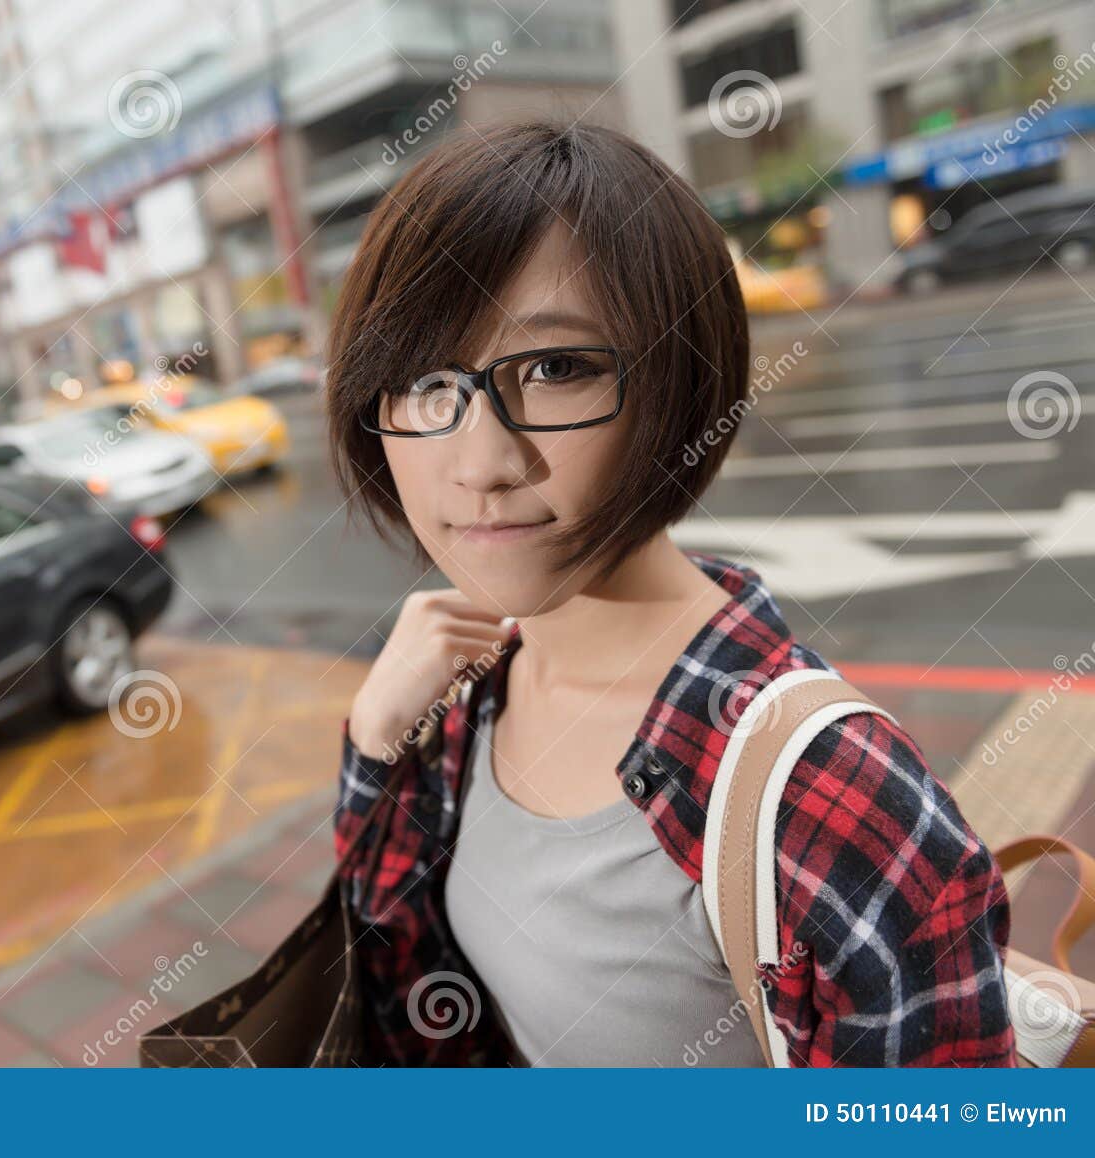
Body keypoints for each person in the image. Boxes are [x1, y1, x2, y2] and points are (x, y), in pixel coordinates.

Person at [325, 122, 1015, 1067]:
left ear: (678, 383)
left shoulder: (836, 800)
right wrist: (373, 744)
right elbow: (390, 988)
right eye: (418, 382)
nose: (481, 463)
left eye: (554, 368)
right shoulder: (457, 697)